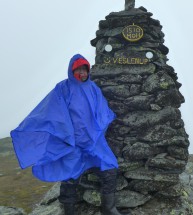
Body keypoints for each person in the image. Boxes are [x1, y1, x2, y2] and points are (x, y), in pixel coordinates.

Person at [10, 54, 130, 215]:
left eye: (84, 69)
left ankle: (109, 209)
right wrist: (70, 138)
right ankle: (69, 212)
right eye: (78, 69)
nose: (82, 73)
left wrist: (99, 130)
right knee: (70, 177)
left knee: (110, 168)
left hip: (94, 142)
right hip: (72, 144)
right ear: (71, 71)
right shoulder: (63, 88)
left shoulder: (93, 88)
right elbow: (54, 114)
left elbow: (103, 111)